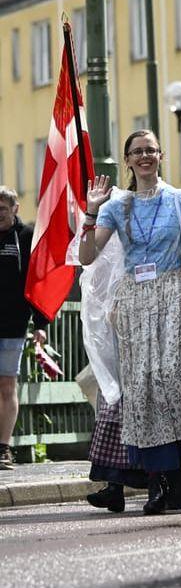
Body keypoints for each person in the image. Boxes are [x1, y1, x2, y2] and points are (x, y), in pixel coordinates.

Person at [79, 130, 181, 514]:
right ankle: (161, 480)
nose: (144, 156)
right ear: (127, 160)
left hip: (173, 295)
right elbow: (87, 257)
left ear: (161, 155)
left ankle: (178, 477)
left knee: (172, 382)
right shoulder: (116, 207)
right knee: (141, 388)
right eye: (136, 152)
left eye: (150, 150)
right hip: (135, 301)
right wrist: (91, 212)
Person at [0, 186, 48, 470]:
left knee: (7, 385)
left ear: (15, 208)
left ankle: (3, 448)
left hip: (13, 325)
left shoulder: (27, 238)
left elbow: (39, 282)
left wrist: (40, 324)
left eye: (3, 211)